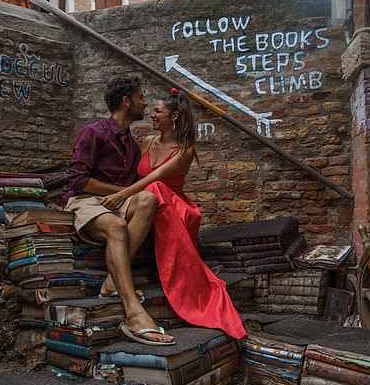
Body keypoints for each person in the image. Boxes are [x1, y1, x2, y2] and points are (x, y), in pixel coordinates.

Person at [100, 88, 246, 340]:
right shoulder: (146, 142)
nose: (151, 115)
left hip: (175, 204)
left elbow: (155, 178)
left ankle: (115, 277)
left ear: (175, 116)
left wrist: (121, 196)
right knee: (150, 194)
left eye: (158, 111)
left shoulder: (185, 150)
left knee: (155, 188)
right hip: (145, 200)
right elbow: (133, 176)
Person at [62, 76, 175, 345]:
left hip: (115, 201)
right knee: (116, 225)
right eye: (140, 97)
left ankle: (113, 281)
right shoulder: (93, 133)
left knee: (148, 199)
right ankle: (134, 312)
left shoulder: (130, 143)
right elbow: (77, 180)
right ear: (126, 101)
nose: (145, 103)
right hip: (85, 200)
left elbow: (135, 187)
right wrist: (117, 193)